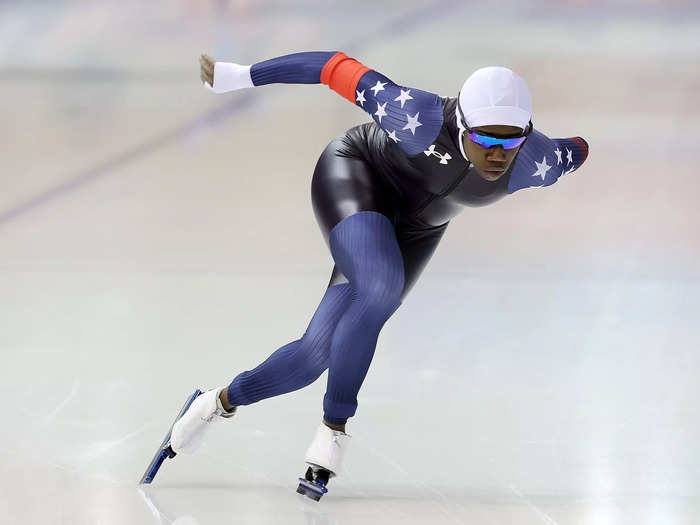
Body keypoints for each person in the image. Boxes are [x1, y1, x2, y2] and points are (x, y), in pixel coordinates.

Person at [163, 50, 589, 497]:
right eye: (486, 139)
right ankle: (333, 429)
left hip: (418, 229)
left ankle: (217, 402)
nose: (498, 154)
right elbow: (332, 67)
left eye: (511, 140)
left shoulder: (538, 161)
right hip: (357, 177)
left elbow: (577, 149)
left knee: (313, 357)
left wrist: (580, 145)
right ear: (461, 125)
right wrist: (240, 75)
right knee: (381, 286)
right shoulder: (415, 115)